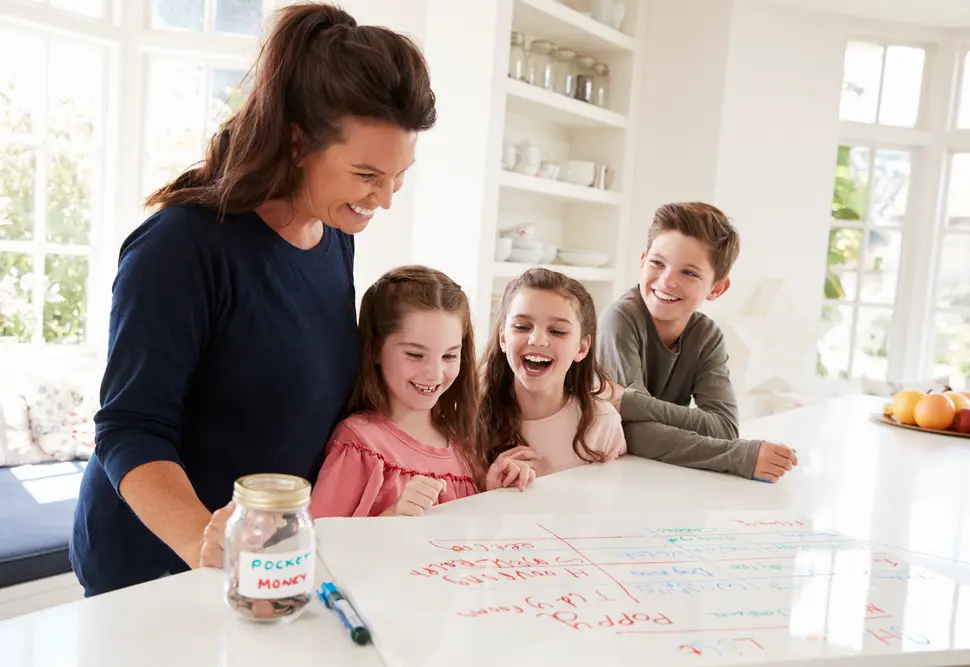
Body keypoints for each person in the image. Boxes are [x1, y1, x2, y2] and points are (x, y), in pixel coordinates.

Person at [71, 3, 438, 596]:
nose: (386, 199)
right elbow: (129, 429)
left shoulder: (335, 236)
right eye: (367, 175)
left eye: (399, 175)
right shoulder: (180, 246)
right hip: (158, 566)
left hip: (268, 558)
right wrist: (203, 542)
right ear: (297, 143)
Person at [309, 266, 535, 517]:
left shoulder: (463, 443)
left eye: (449, 356)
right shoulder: (359, 443)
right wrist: (391, 516)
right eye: (415, 355)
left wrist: (492, 492)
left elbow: (466, 531)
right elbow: (318, 536)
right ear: (374, 349)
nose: (434, 374)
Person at [596, 203, 797, 483]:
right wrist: (737, 457)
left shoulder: (706, 336)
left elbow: (725, 427)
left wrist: (631, 402)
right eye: (657, 263)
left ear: (717, 288)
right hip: (600, 472)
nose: (666, 281)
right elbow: (630, 433)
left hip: (658, 474)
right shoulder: (620, 319)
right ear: (642, 262)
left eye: (688, 273)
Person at [479, 268, 626, 477]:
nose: (537, 340)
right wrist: (491, 486)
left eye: (557, 331)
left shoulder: (602, 422)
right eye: (522, 326)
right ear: (503, 338)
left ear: (582, 348)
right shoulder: (471, 416)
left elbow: (616, 492)